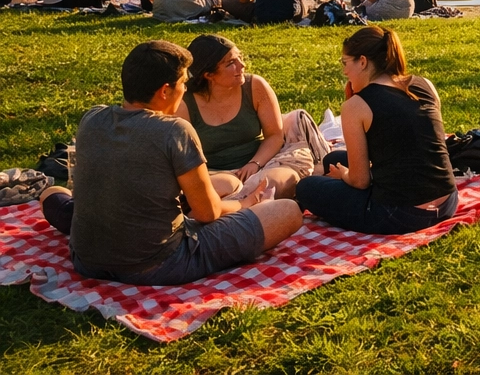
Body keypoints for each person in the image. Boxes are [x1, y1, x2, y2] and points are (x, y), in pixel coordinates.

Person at [37, 40, 302, 283]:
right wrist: (246, 204)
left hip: (87, 261)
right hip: (160, 263)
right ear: (165, 91)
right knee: (287, 211)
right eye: (183, 83)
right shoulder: (174, 130)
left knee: (54, 192)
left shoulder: (91, 119)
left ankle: (59, 202)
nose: (186, 89)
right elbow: (207, 214)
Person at [294, 27, 458, 234]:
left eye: (345, 63)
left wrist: (344, 174)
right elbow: (412, 144)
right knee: (332, 158)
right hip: (447, 202)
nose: (344, 71)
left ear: (362, 61)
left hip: (400, 214)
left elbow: (360, 181)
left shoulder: (357, 106)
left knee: (306, 187)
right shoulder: (424, 84)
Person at [176, 35, 303, 199]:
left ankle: (239, 205)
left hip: (261, 165)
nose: (242, 66)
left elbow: (275, 135)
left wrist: (254, 164)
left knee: (281, 179)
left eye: (240, 58)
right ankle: (248, 204)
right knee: (227, 186)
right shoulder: (185, 104)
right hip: (215, 175)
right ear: (208, 75)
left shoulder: (255, 86)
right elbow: (184, 160)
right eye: (231, 63)